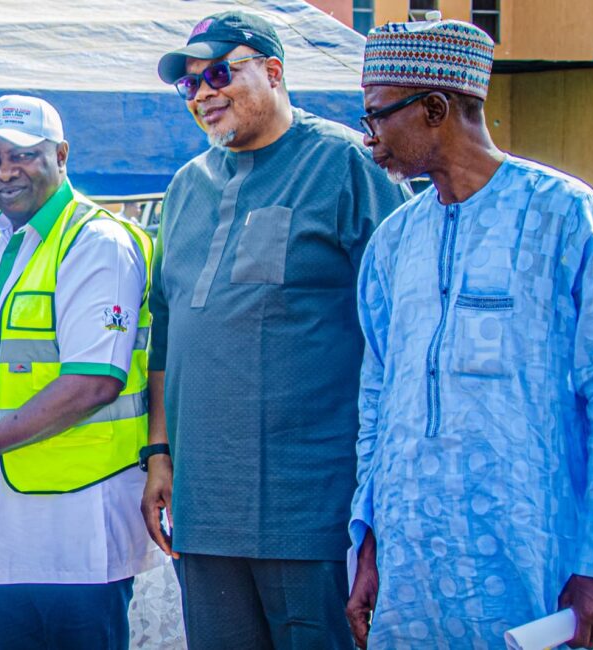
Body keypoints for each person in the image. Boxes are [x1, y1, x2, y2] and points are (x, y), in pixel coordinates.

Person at [347, 20, 593, 649]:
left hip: (531, 555)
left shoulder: (563, 215)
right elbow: (377, 405)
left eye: (377, 116)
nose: (370, 137)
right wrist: (369, 547)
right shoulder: (393, 241)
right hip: (412, 569)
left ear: (435, 108)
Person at [143, 11, 409, 648]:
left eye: (219, 73)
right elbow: (167, 331)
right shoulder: (186, 186)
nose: (203, 93)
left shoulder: (346, 165)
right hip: (204, 505)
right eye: (189, 84)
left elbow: (402, 328)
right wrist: (159, 453)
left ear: (273, 71)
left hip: (310, 505)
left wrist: (384, 493)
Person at [0, 95, 157, 650]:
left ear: (60, 155)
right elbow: (2, 357)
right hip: (4, 532)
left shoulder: (96, 243)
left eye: (22, 155)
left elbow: (93, 384)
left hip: (76, 527)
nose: (5, 171)